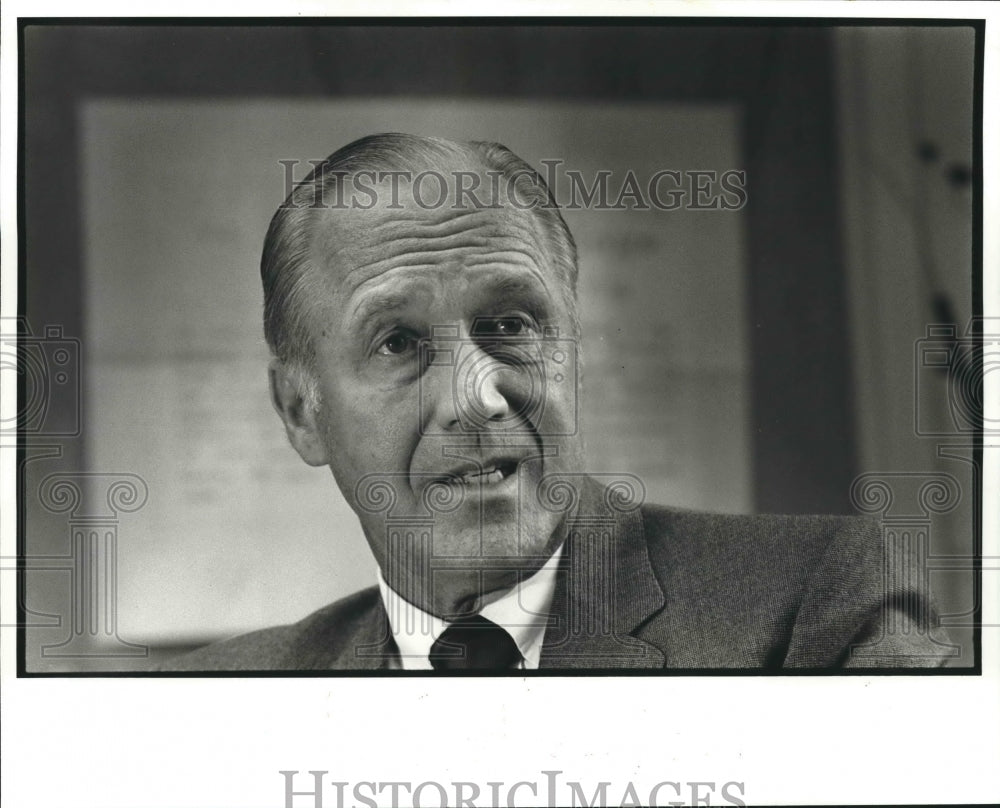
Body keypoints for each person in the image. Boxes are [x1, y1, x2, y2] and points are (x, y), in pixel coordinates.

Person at [159, 133, 952, 671]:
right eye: (398, 342)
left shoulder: (817, 606)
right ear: (301, 413)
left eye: (509, 325)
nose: (477, 398)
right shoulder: (216, 700)